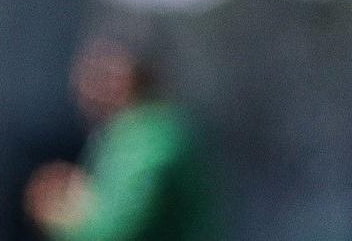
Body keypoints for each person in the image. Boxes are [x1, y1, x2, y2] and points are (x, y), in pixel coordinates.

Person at [24, 33, 221, 241]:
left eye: (103, 73)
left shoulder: (149, 138)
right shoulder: (125, 134)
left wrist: (59, 217)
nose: (88, 86)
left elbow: (115, 231)